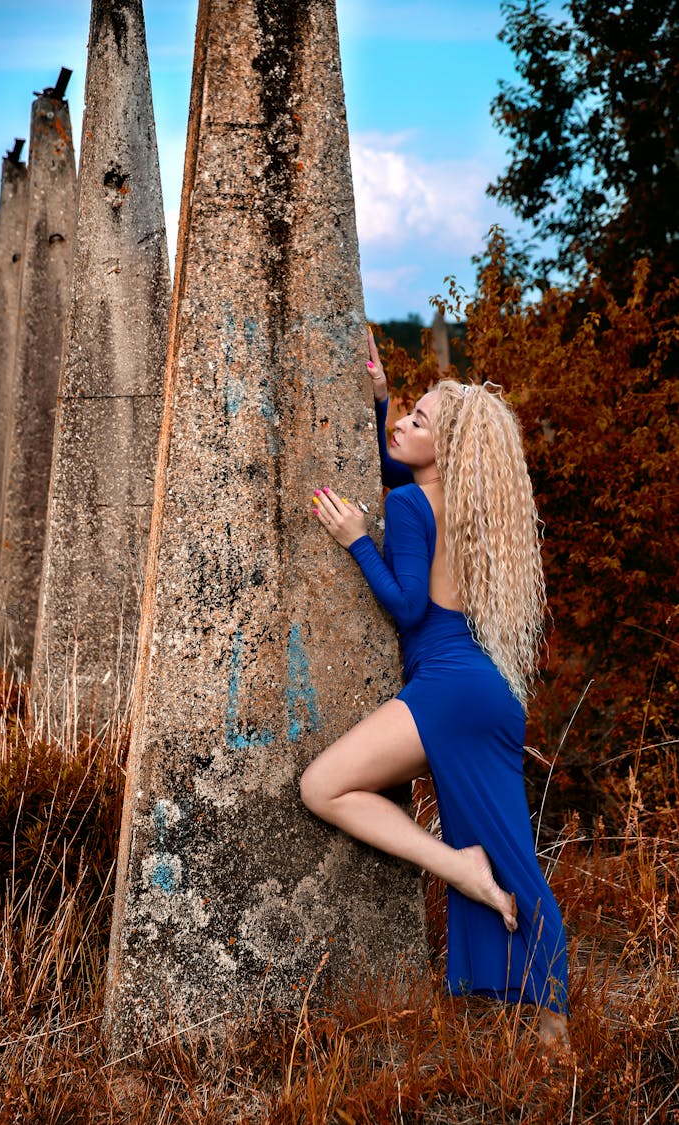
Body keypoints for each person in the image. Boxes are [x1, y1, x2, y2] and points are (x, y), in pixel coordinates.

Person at [300, 330, 569, 1049]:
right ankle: (552, 1023)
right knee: (517, 850)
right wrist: (381, 397)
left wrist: (360, 537)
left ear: (445, 450)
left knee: (322, 786)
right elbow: (396, 460)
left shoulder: (414, 508)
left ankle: (460, 866)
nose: (400, 426)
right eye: (407, 412)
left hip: (447, 689)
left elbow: (409, 607)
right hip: (485, 692)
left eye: (418, 420)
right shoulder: (455, 500)